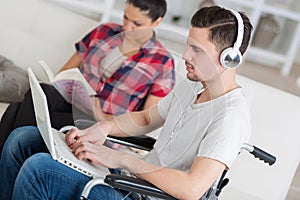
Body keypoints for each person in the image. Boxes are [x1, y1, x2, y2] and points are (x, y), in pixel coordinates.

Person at [0, 6, 253, 199]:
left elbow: (191, 189)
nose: (186, 56)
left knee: (39, 170)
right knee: (22, 140)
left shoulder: (230, 117)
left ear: (229, 58)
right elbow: (145, 118)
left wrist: (120, 159)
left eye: (197, 50)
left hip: (144, 194)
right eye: (188, 46)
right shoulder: (192, 85)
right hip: (131, 180)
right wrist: (102, 129)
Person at [0, 0, 175, 153]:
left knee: (17, 110)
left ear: (156, 22)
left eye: (136, 23)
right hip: (72, 103)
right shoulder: (104, 32)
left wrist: (103, 117)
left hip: (101, 125)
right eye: (125, 17)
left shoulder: (162, 62)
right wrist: (66, 85)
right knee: (40, 92)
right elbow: (66, 69)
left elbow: (146, 120)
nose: (127, 27)